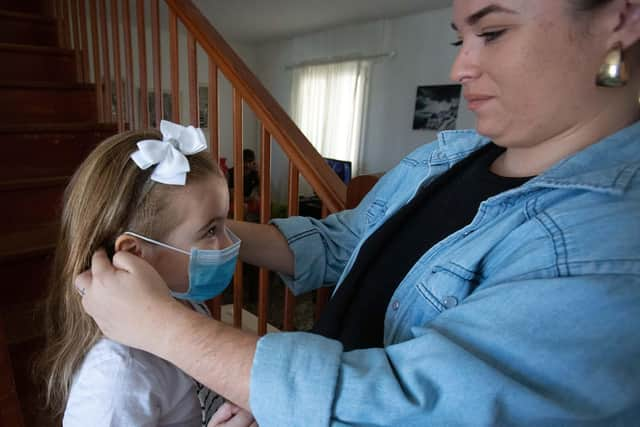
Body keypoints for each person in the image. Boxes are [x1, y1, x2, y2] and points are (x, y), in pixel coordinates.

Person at [77, 0, 640, 425]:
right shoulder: (443, 158)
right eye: (460, 38)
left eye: (492, 33)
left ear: (621, 17)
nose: (461, 67)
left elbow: (409, 406)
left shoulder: (611, 238)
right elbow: (346, 243)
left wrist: (170, 330)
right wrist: (200, 234)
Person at [39, 121, 239, 426]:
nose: (231, 244)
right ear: (134, 254)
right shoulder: (119, 373)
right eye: (211, 230)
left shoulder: (183, 303)